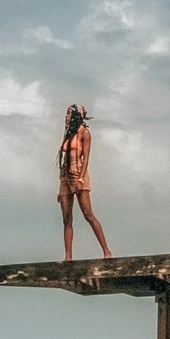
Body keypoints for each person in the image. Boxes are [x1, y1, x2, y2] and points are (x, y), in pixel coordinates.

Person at [57, 103, 112, 261]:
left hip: (78, 172)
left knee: (88, 214)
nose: (66, 116)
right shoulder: (68, 133)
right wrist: (60, 187)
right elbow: (63, 158)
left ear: (75, 115)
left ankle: (106, 251)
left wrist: (81, 177)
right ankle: (68, 257)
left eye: (68, 114)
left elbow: (86, 157)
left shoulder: (84, 133)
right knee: (66, 218)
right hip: (65, 175)